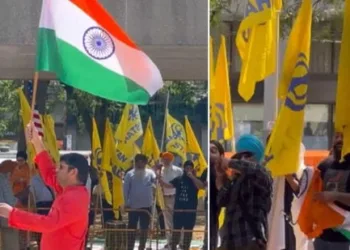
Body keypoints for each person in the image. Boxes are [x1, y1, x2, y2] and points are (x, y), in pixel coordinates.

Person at [0, 122, 90, 250]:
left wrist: (13, 214)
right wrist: (37, 142)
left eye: (61, 168)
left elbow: (48, 224)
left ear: (73, 172)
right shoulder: (70, 191)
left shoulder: (74, 198)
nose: (57, 170)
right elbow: (49, 173)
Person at [216, 134, 272, 250]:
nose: (242, 160)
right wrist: (223, 179)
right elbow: (221, 201)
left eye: (247, 156)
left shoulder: (261, 175)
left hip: (250, 240)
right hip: (230, 242)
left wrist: (230, 162)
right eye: (239, 157)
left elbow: (255, 170)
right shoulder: (234, 181)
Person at [309, 132, 350, 250]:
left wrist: (335, 196)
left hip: (345, 238)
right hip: (321, 236)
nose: (339, 140)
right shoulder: (324, 164)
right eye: (336, 136)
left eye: (343, 137)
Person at [159, 160, 205, 250]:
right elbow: (168, 185)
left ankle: (186, 247)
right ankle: (173, 246)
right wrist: (160, 179)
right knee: (176, 230)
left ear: (192, 169)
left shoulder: (195, 180)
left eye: (190, 168)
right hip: (179, 210)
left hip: (190, 211)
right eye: (187, 168)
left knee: (188, 232)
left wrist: (193, 177)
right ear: (184, 168)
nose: (188, 170)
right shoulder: (179, 178)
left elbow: (201, 186)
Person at [123, 154, 155, 250]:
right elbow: (125, 190)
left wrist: (158, 170)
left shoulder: (150, 173)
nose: (140, 164)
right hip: (133, 206)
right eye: (138, 161)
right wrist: (126, 203)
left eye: (142, 162)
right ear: (135, 162)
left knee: (144, 228)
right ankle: (130, 247)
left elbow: (156, 181)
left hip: (147, 205)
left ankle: (142, 247)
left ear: (145, 163)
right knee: (132, 227)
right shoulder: (129, 174)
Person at [159, 152, 183, 248]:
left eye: (168, 159)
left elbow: (179, 185)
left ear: (172, 160)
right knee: (167, 222)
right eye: (164, 159)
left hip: (175, 197)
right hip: (164, 198)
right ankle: (170, 242)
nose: (166, 161)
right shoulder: (159, 171)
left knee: (178, 221)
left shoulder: (178, 171)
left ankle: (181, 242)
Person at [209, 140, 225, 250]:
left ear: (221, 155)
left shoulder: (225, 175)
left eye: (213, 151)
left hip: (214, 215)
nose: (209, 153)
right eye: (208, 150)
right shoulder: (206, 171)